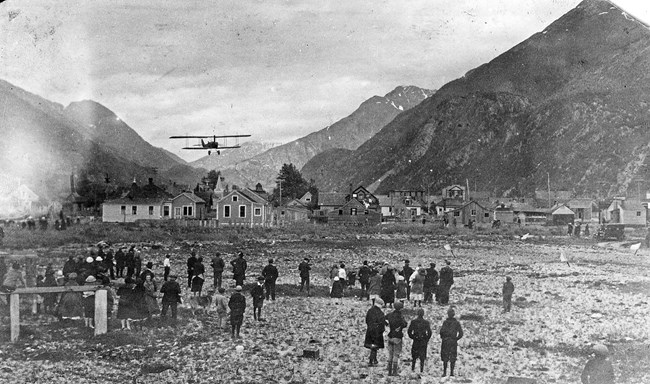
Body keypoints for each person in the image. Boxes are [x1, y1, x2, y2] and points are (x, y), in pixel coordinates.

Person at [385, 301, 408, 376]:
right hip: (397, 336)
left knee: (390, 354)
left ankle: (389, 371)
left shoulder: (390, 315)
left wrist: (387, 324)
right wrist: (400, 327)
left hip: (390, 335)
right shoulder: (400, 316)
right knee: (396, 354)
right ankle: (394, 371)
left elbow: (383, 319)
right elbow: (405, 324)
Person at [440, 307, 463, 377]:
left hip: (446, 341)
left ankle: (444, 372)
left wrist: (443, 338)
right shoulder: (456, 323)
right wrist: (456, 339)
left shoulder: (445, 322)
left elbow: (441, 332)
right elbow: (461, 333)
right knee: (453, 356)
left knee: (445, 357)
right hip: (453, 341)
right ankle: (451, 372)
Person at [408, 308, 432, 373]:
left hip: (416, 339)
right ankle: (421, 369)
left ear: (417, 314)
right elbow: (429, 332)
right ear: (423, 314)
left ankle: (413, 368)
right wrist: (426, 339)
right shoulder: (426, 322)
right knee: (422, 356)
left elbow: (409, 331)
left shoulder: (413, 322)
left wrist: (413, 337)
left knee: (414, 356)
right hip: (423, 340)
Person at [364, 297, 385, 367]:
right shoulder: (380, 313)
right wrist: (382, 329)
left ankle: (374, 360)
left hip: (370, 330)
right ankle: (371, 361)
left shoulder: (370, 311)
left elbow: (367, 320)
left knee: (372, 346)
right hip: (377, 331)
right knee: (375, 347)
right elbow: (381, 322)